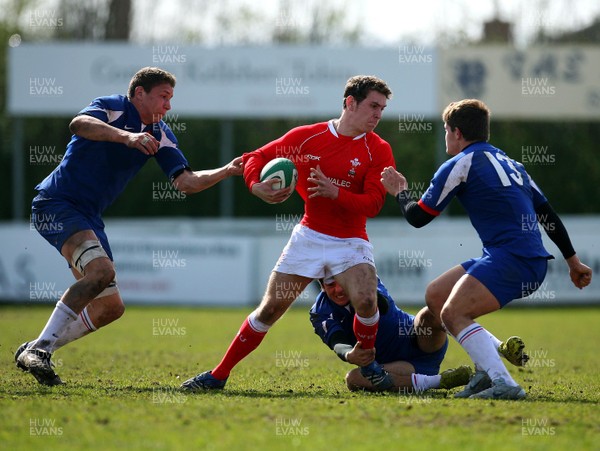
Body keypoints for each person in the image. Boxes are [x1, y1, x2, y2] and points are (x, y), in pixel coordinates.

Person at [15, 66, 243, 386]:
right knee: (101, 272)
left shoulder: (161, 133)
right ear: (139, 94)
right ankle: (40, 349)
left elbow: (186, 182)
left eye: (171, 99)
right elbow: (79, 124)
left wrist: (228, 171)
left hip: (89, 216)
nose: (168, 106)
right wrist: (126, 136)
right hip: (56, 204)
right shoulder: (114, 106)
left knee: (110, 307)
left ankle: (39, 348)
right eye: (163, 97)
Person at [181, 75, 397, 391]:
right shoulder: (307, 138)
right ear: (350, 102)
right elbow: (255, 157)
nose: (378, 114)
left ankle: (368, 361)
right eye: (373, 106)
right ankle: (218, 375)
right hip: (309, 237)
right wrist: (256, 185)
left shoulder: (378, 149)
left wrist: (334, 193)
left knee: (366, 301)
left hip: (351, 241)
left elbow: (374, 203)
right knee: (269, 309)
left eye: (382, 108)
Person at [380, 99, 592, 400]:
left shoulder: (459, 164)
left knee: (453, 313)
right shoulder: (513, 164)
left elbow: (418, 217)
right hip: (519, 259)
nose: (445, 136)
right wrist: (573, 262)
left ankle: (504, 383)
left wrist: (400, 192)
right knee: (437, 295)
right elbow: (548, 215)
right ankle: (485, 368)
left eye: (445, 130)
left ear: (455, 132)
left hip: (514, 260)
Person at [311, 277, 473, 392]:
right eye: (330, 284)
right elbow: (336, 340)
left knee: (427, 314)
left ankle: (485, 359)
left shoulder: (366, 279)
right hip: (399, 367)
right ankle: (440, 381)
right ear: (322, 286)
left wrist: (361, 294)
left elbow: (384, 306)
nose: (338, 289)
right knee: (354, 379)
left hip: (420, 339)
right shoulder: (319, 312)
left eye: (342, 282)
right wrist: (349, 354)